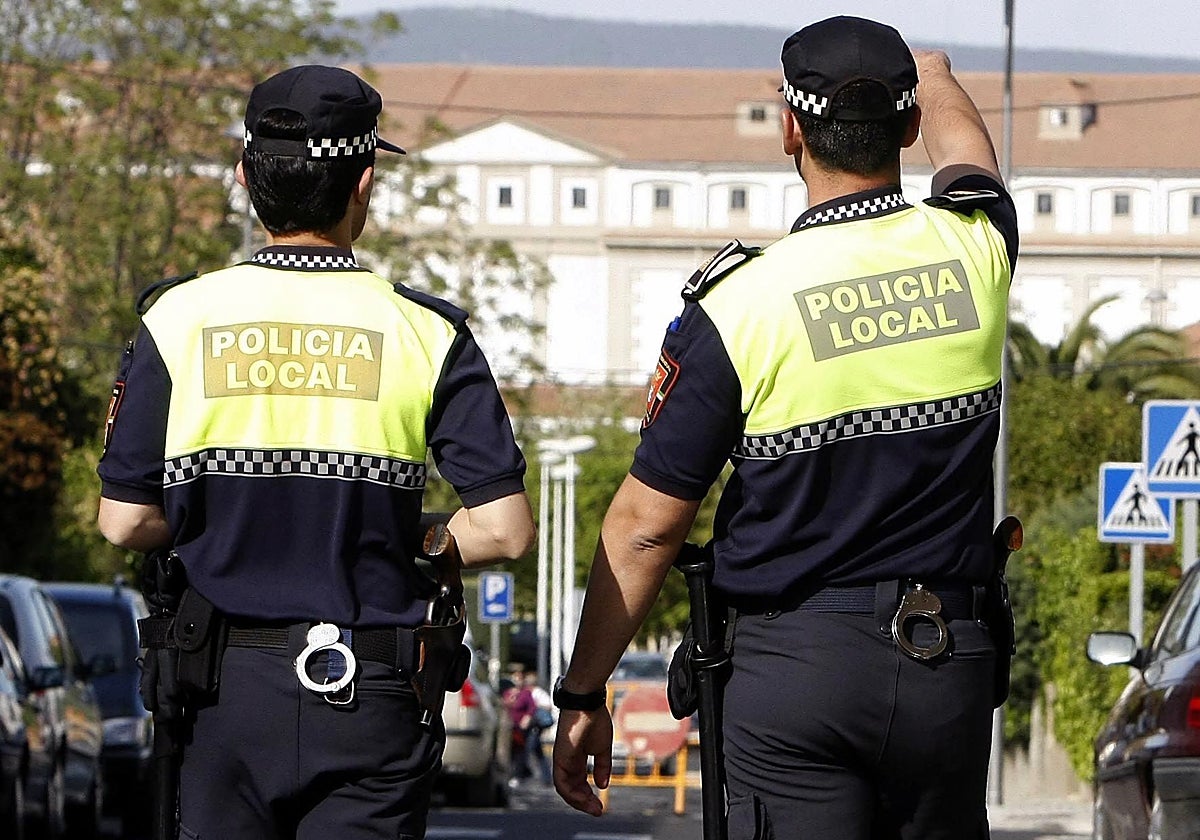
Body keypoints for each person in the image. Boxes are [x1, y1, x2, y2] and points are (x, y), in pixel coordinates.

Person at [552, 16, 1017, 840]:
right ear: (906, 126)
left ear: (790, 129)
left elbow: (645, 532)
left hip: (795, 674)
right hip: (947, 663)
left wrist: (585, 692)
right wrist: (936, 72)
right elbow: (971, 152)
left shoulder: (739, 305)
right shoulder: (976, 251)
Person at [96, 64, 536, 840]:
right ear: (364, 183)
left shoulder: (178, 319)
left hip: (219, 694)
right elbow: (504, 530)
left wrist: (218, 524)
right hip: (372, 695)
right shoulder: (427, 333)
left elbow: (124, 522)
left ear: (244, 177)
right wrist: (408, 536)